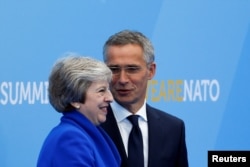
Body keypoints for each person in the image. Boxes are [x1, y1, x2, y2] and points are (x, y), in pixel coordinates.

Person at [101, 30, 188, 167]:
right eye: (114, 69)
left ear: (151, 71)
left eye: (132, 69)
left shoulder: (173, 129)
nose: (123, 79)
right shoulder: (91, 127)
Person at [37, 55, 121, 167]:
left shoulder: (87, 132)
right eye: (101, 91)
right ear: (75, 99)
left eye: (108, 90)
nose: (110, 98)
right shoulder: (70, 138)